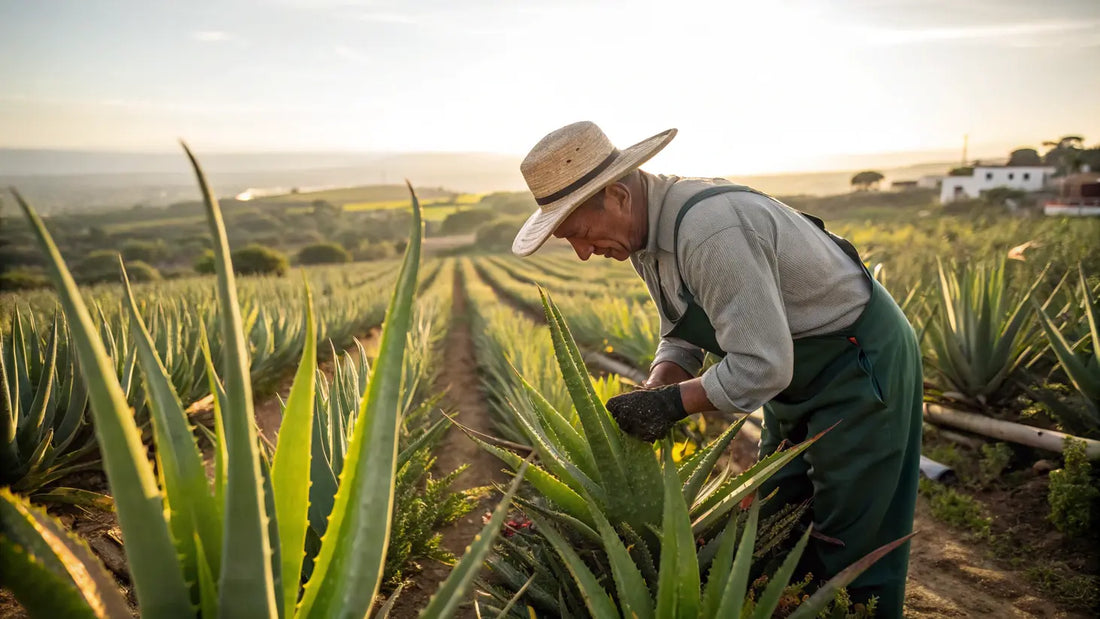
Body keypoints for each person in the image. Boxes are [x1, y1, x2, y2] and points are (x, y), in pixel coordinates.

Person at [511, 121, 922, 617]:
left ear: (617, 196)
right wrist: (659, 381)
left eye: (579, 233)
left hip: (857, 364)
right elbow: (682, 329)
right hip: (793, 376)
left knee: (852, 532)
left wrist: (673, 404)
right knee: (778, 509)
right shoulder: (644, 241)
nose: (582, 253)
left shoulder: (710, 233)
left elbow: (761, 366)